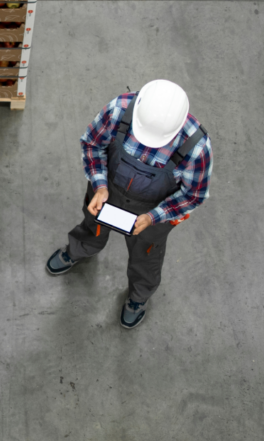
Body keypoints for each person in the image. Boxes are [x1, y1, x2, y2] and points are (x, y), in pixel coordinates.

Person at [45, 80, 214, 329]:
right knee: (92, 225)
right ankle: (80, 249)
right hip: (107, 191)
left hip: (151, 213)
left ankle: (138, 297)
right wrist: (100, 185)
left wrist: (154, 216)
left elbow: (192, 196)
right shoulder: (119, 109)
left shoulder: (197, 148)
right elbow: (92, 145)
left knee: (146, 255)